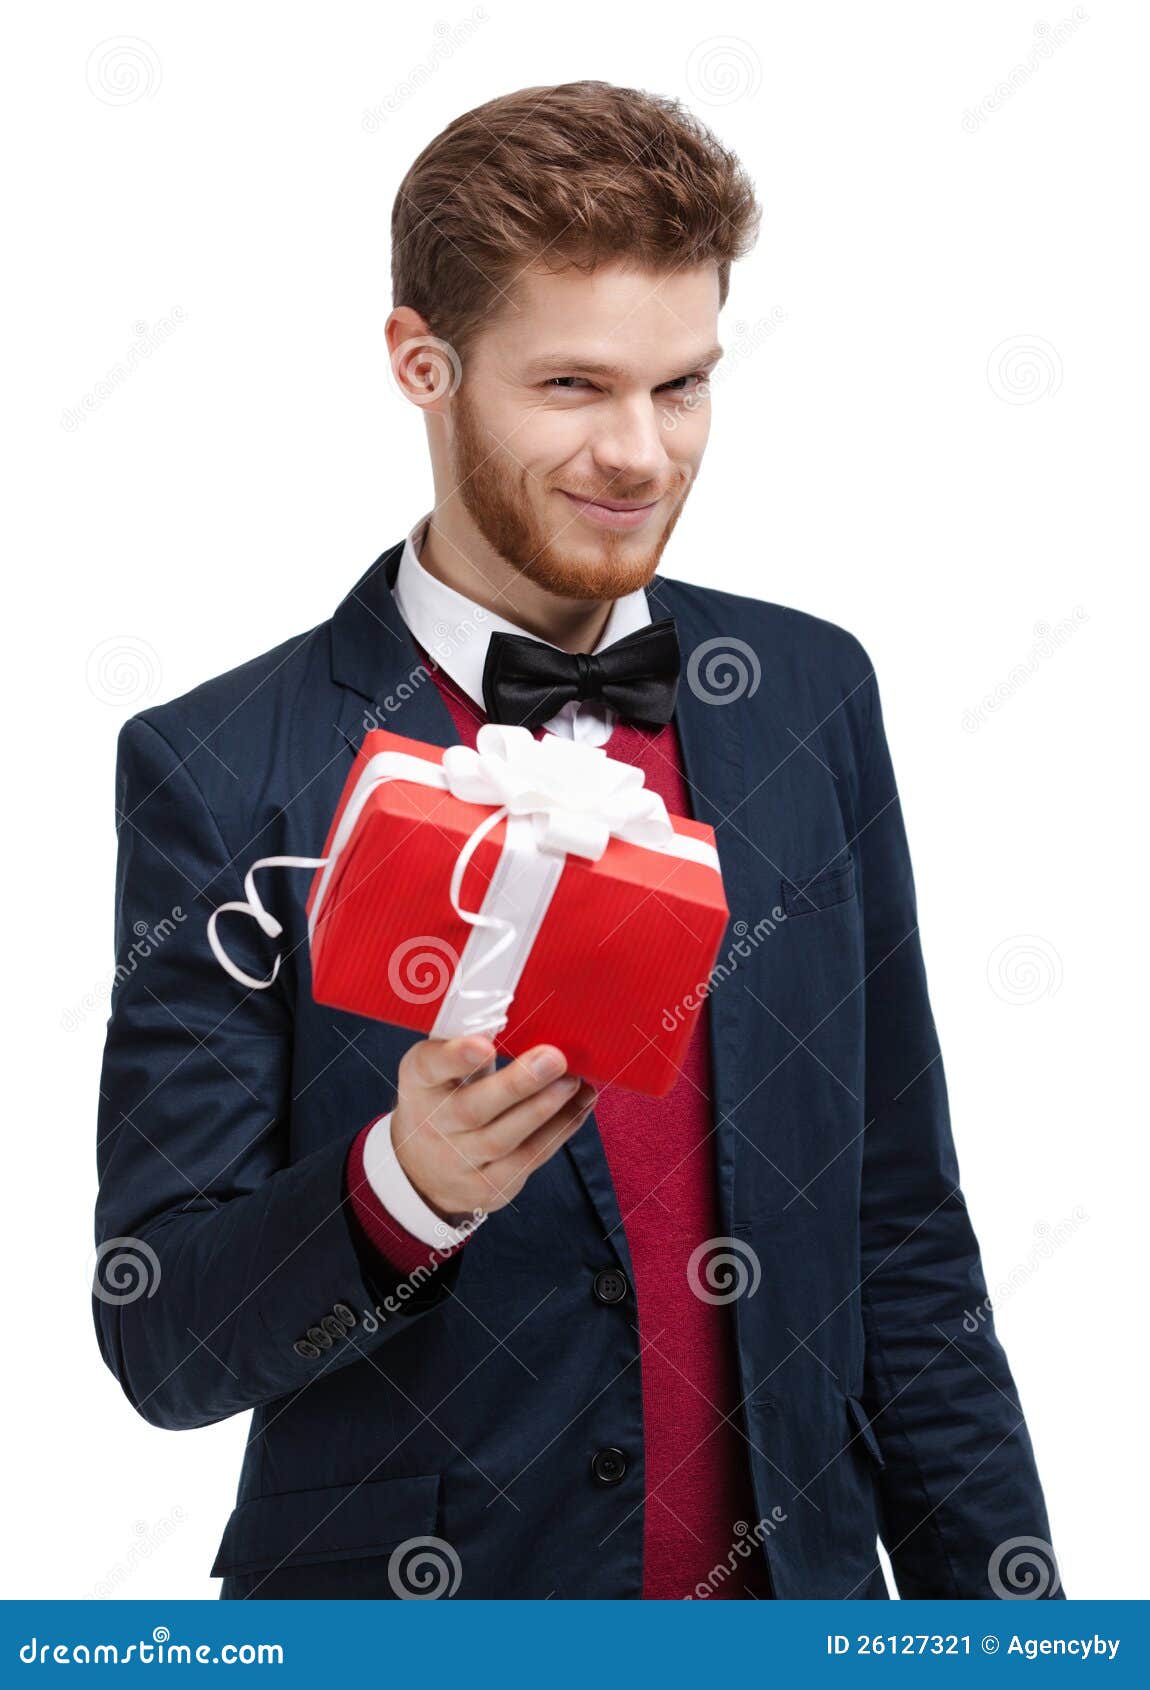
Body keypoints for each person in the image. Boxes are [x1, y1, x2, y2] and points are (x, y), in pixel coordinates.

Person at [93, 80, 1059, 1601]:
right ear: (424, 363)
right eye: (571, 387)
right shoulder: (223, 768)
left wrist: (1012, 1631)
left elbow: (901, 1229)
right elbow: (158, 1337)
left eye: (681, 386)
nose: (640, 453)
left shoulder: (810, 697)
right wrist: (397, 1181)